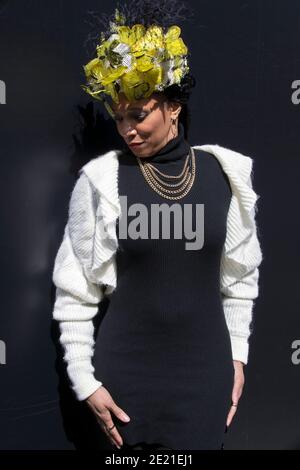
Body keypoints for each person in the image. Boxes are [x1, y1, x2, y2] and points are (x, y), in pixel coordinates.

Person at [52, 1, 263, 451]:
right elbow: (75, 291)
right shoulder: (102, 180)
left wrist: (237, 357)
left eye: (140, 114)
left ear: (173, 107)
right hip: (126, 380)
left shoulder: (225, 173)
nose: (127, 129)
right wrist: (86, 382)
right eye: (119, 116)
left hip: (205, 377)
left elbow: (240, 279)